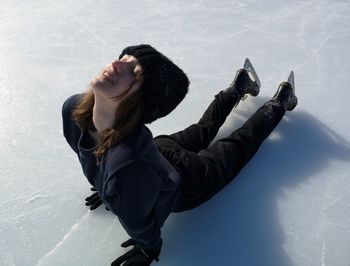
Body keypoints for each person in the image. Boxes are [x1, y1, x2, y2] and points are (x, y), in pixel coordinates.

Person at [62, 44, 297, 265]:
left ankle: (278, 103)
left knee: (237, 146)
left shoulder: (128, 166)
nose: (116, 63)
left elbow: (141, 222)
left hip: (187, 181)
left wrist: (148, 248)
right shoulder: (73, 110)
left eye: (133, 72)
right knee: (203, 130)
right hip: (159, 150)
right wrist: (108, 189)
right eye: (123, 58)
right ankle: (239, 87)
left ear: (138, 102)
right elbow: (99, 159)